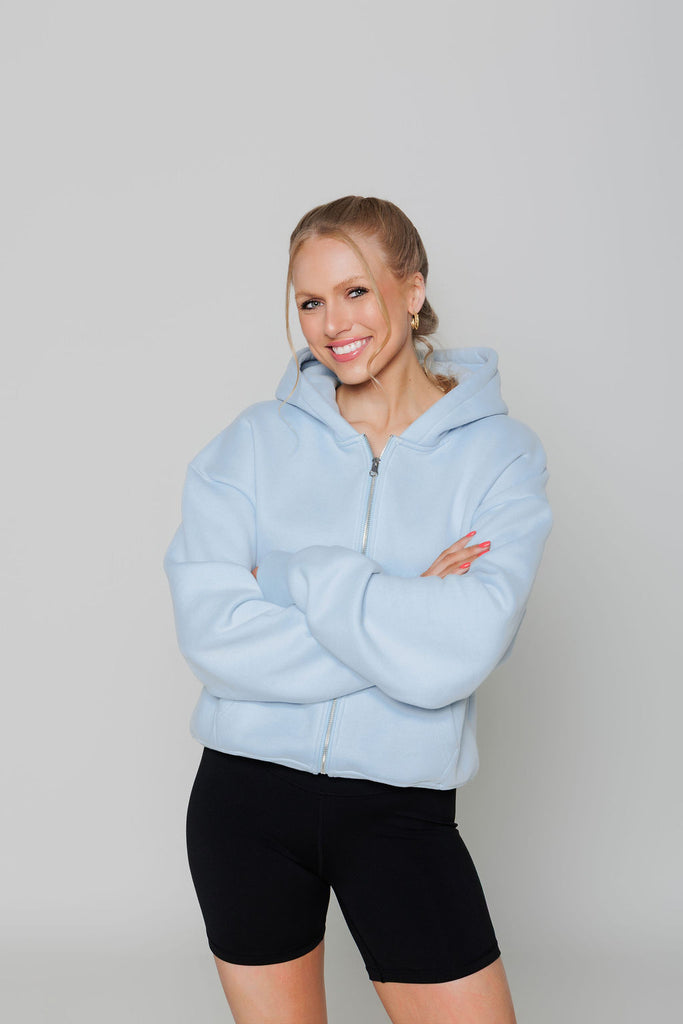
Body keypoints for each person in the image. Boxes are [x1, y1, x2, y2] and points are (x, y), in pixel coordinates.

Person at [163, 194, 553, 1024]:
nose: (332, 324)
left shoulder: (499, 456)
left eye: (355, 292)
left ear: (411, 291)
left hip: (397, 810)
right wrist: (401, 608)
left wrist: (287, 578)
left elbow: (461, 648)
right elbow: (213, 634)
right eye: (309, 301)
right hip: (243, 803)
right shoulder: (251, 443)